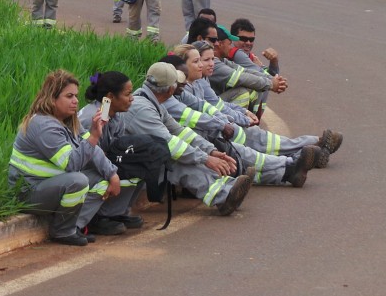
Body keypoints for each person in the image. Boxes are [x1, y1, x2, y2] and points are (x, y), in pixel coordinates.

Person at [161, 51, 322, 187]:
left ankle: (289, 170)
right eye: (198, 61)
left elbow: (208, 106)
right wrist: (226, 127)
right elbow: (195, 117)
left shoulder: (188, 87)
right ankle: (293, 161)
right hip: (197, 148)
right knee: (242, 158)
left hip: (207, 141)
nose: (205, 65)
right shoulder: (169, 98)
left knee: (244, 162)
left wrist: (233, 120)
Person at [120, 62, 253, 215]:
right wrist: (205, 158)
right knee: (178, 160)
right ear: (171, 89)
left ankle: (228, 188)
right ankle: (223, 197)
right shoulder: (143, 109)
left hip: (139, 157)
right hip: (128, 162)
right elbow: (170, 144)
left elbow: (180, 131)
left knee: (190, 155)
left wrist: (211, 151)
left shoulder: (150, 101)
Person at [9, 70, 122, 246]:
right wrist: (93, 136)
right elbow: (71, 164)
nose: (76, 101)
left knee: (102, 179)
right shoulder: (43, 125)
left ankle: (74, 227)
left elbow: (95, 152)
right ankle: (62, 231)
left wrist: (112, 174)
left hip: (51, 184)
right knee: (77, 180)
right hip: (29, 191)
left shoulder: (69, 120)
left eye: (76, 96)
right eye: (69, 96)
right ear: (52, 98)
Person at [76, 71, 147, 233]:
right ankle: (96, 218)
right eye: (127, 94)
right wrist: (112, 172)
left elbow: (116, 146)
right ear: (110, 97)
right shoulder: (90, 118)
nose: (132, 98)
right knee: (112, 175)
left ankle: (117, 213)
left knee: (142, 165)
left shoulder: (114, 114)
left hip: (101, 162)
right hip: (84, 168)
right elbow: (92, 156)